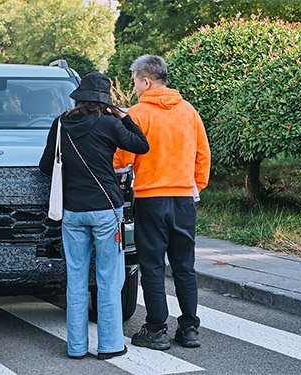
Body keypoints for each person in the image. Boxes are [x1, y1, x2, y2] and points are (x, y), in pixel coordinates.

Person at [39, 71, 149, 360]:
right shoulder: (110, 124)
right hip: (105, 210)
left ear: (79, 97)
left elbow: (44, 166)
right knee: (109, 278)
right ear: (104, 101)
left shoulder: (61, 124)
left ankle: (75, 347)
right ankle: (110, 345)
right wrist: (123, 116)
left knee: (75, 278)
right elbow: (142, 145)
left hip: (72, 212)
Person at [114, 55, 211, 350]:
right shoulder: (189, 111)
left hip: (150, 198)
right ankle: (190, 328)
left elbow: (122, 159)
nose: (133, 87)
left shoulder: (138, 114)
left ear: (146, 81)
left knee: (153, 266)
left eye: (134, 81)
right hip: (183, 198)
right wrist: (194, 186)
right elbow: (203, 155)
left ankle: (156, 330)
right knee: (185, 266)